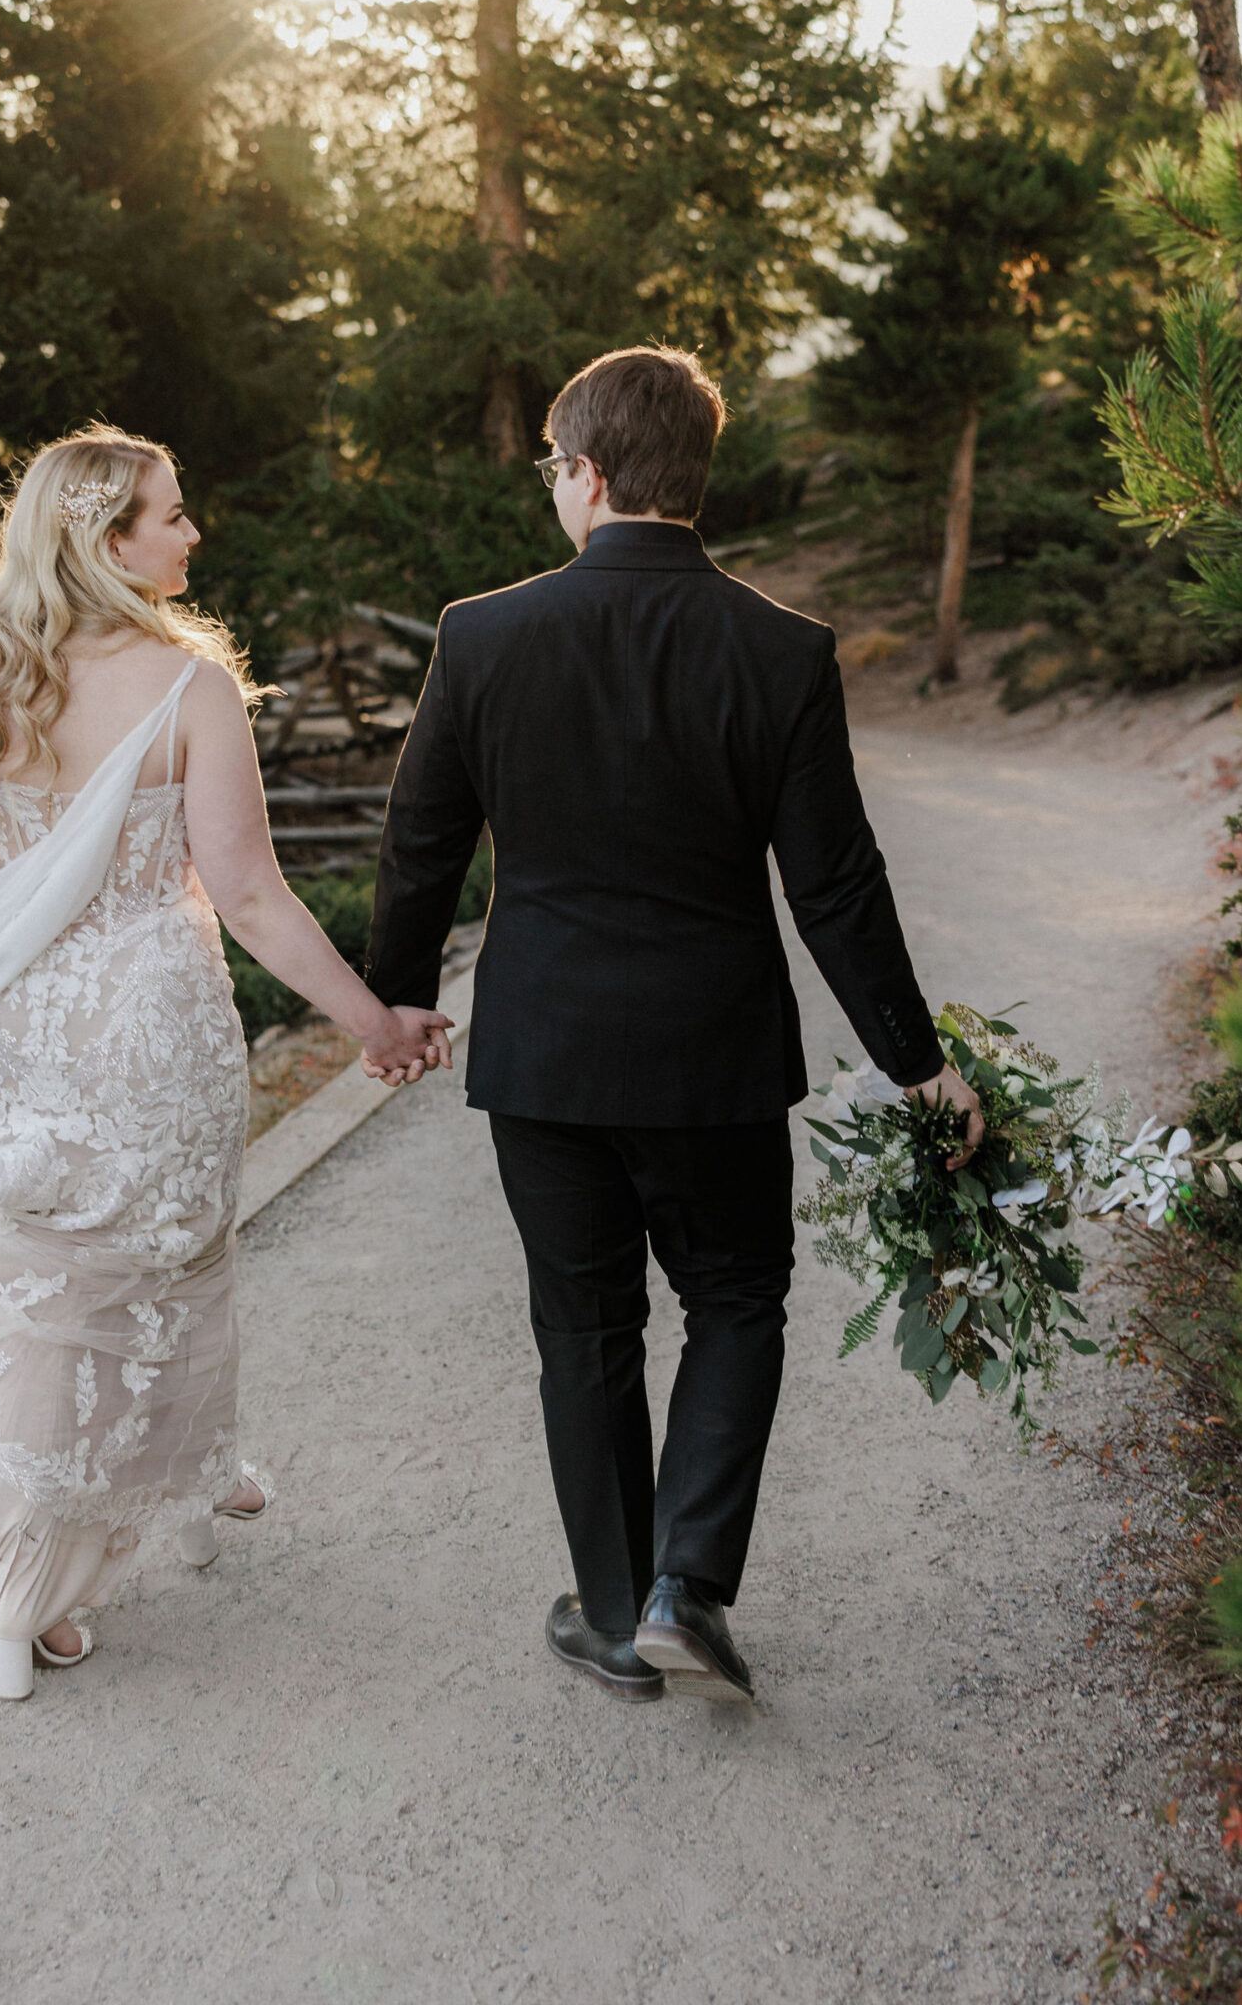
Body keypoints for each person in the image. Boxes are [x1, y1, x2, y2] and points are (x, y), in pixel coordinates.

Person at [362, 346, 981, 1704]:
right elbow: (831, 884)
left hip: (542, 1053)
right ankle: (684, 1589)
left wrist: (397, 998)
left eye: (550, 471)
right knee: (734, 1298)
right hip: (707, 1058)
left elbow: (419, 847)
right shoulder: (779, 651)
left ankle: (607, 1613)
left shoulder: (481, 635)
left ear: (585, 475)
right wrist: (913, 1060)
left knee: (582, 1329)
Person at [0, 422, 449, 1702]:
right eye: (169, 515)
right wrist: (375, 1023)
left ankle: (22, 1607)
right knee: (156, 1280)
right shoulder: (187, 688)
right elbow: (253, 897)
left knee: (36, 1305)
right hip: (144, 1040)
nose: (190, 533)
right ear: (107, 542)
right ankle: (137, 1502)